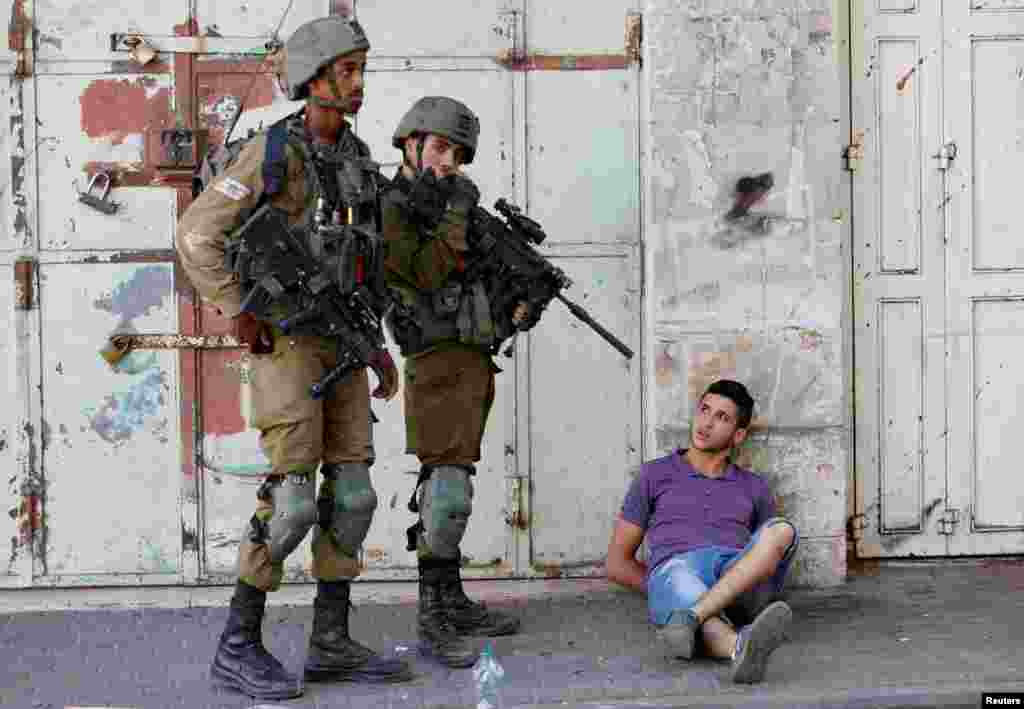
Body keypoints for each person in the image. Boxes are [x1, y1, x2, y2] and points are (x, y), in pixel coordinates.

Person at [175, 15, 410, 700]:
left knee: (356, 495)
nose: (360, 82)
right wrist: (236, 308)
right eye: (347, 70)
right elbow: (197, 235)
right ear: (313, 78)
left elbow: (367, 266)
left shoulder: (358, 158)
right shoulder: (272, 153)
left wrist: (379, 349)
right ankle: (237, 644)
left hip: (343, 344)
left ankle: (330, 640)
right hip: (286, 346)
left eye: (363, 68)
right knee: (292, 504)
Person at [379, 96, 525, 668]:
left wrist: (517, 299)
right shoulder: (393, 205)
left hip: (470, 356)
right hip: (434, 359)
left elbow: (475, 276)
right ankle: (433, 618)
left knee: (456, 482)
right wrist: (458, 208)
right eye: (439, 148)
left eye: (458, 154)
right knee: (447, 492)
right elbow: (425, 271)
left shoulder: (444, 205)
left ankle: (452, 598)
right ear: (410, 143)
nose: (449, 163)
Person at [606, 379, 799, 684]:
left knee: (783, 530)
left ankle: (690, 616)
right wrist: (665, 590)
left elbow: (764, 555)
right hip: (679, 570)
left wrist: (692, 602)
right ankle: (738, 646)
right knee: (679, 576)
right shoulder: (654, 475)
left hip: (735, 578)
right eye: (704, 409)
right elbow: (617, 564)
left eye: (721, 417)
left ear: (738, 435)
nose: (706, 423)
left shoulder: (755, 487)